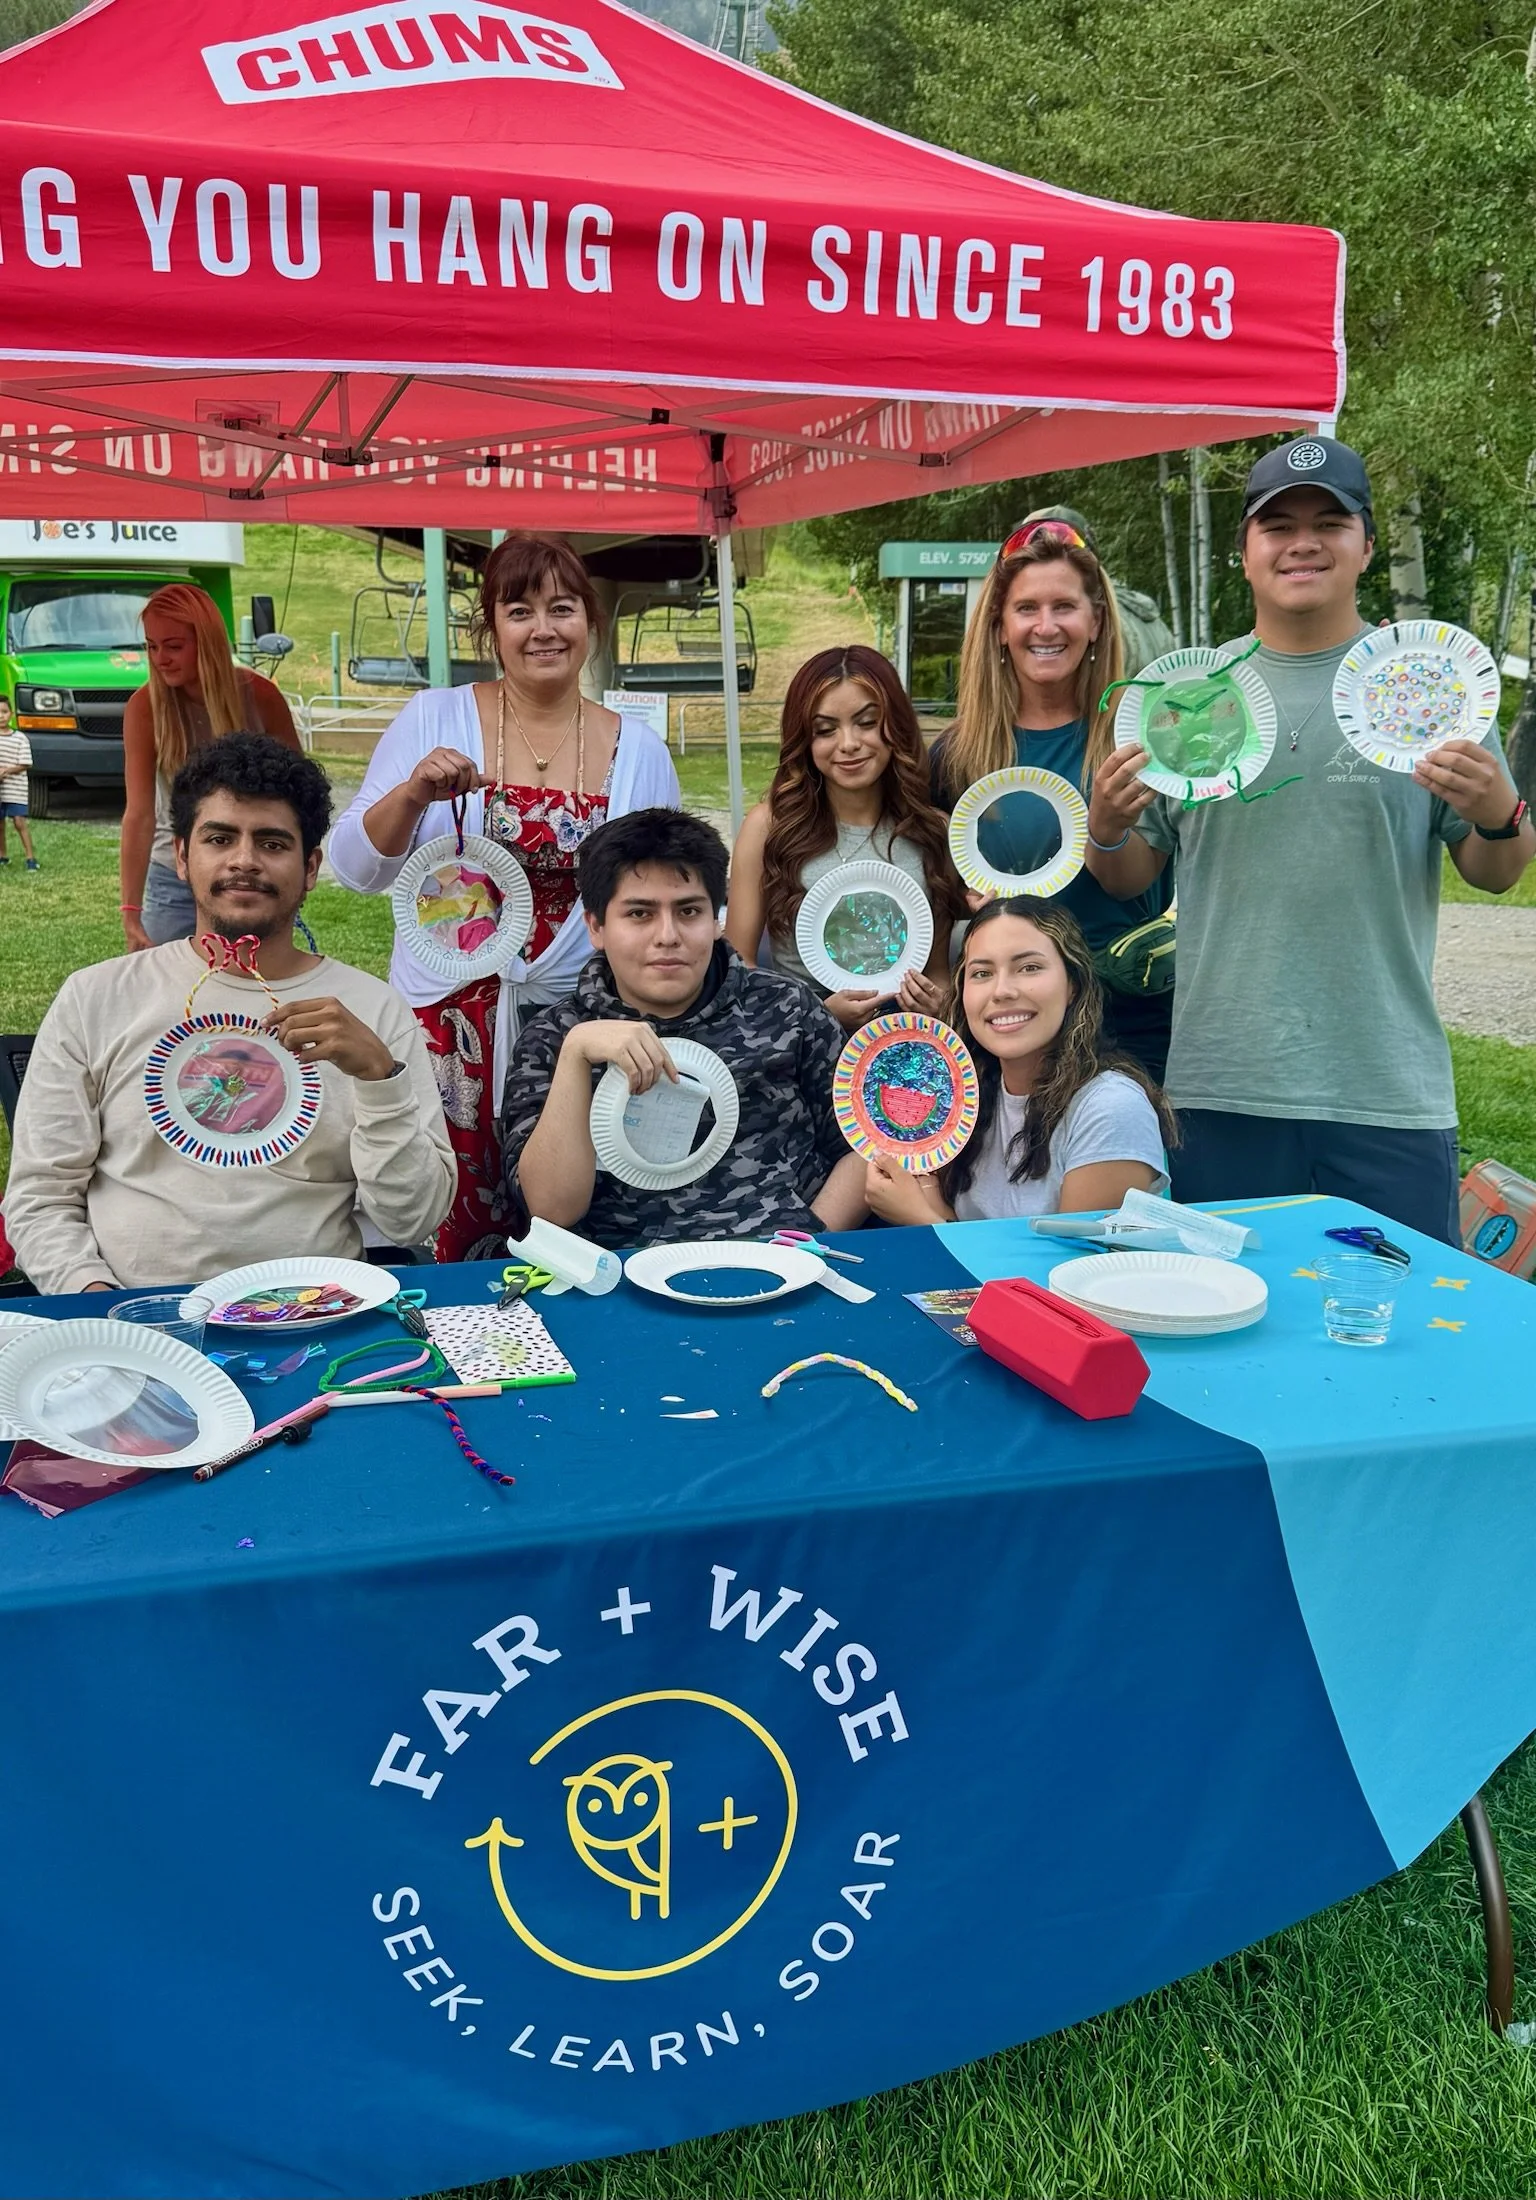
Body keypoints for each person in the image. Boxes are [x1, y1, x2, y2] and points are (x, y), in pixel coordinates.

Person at [1084, 435, 1536, 1245]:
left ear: (1365, 543)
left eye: (1330, 521)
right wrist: (1108, 829)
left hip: (1385, 1088)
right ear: (1244, 553)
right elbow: (1129, 878)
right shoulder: (1186, 699)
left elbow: (1494, 872)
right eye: (1276, 523)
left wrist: (1503, 813)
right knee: (1233, 1334)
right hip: (1222, 1085)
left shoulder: (1426, 686)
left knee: (1398, 1338)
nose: (1303, 541)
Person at [329, 533, 679, 1260]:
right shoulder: (434, 718)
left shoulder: (638, 750)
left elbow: (662, 894)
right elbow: (355, 868)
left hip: (579, 1023)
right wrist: (413, 791)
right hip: (444, 1025)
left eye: (562, 608)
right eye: (519, 611)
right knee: (448, 1226)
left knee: (569, 1222)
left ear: (592, 622)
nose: (543, 629)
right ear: (490, 628)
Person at [6, 734, 453, 1296]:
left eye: (272, 843)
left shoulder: (372, 1013)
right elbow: (40, 1196)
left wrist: (379, 1082)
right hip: (133, 1313)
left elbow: (414, 1221)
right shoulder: (97, 998)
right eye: (221, 838)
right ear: (183, 855)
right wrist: (97, 1300)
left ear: (310, 867)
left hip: (313, 1315)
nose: (244, 861)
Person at [503, 808, 866, 1249]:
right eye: (639, 914)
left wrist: (810, 1243)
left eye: (689, 911)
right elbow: (551, 1210)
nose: (668, 935)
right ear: (596, 927)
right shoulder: (554, 1037)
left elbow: (862, 1145)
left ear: (716, 919)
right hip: (624, 1283)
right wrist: (578, 1053)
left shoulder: (788, 1009)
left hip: (787, 1265)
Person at [929, 515, 1176, 1082]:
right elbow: (931, 889)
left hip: (1127, 1022)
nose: (1046, 626)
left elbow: (1139, 886)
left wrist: (1106, 828)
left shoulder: (1141, 740)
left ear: (1096, 621)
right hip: (1007, 1022)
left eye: (1064, 606)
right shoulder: (954, 754)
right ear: (998, 626)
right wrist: (959, 893)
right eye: (1026, 609)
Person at [863, 898, 1174, 1226]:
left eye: (1029, 968)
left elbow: (1067, 1269)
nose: (1002, 991)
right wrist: (919, 1186)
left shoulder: (1112, 1108)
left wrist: (919, 1219)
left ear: (1073, 985)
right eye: (982, 973)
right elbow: (967, 1233)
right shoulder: (968, 1098)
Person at [725, 645, 964, 1027]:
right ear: (805, 740)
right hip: (798, 1049)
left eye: (867, 723)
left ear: (894, 727)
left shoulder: (934, 830)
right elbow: (738, 968)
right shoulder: (768, 827)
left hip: (904, 1045)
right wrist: (818, 1017)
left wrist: (937, 1005)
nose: (849, 743)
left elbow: (938, 971)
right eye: (825, 730)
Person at [120, 582, 300, 950]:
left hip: (252, 870)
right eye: (151, 646)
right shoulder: (144, 708)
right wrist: (130, 910)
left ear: (207, 643)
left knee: (254, 988)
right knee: (166, 998)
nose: (160, 658)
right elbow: (139, 815)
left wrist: (294, 875)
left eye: (173, 646)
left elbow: (300, 795)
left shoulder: (261, 697)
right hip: (174, 875)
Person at [0, 695, 38, 870]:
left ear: (11, 714)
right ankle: (3, 855)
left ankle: (30, 858)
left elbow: (25, 763)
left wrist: (6, 771)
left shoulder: (20, 738)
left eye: (4, 712)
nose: (1, 716)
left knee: (19, 821)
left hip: (16, 789)